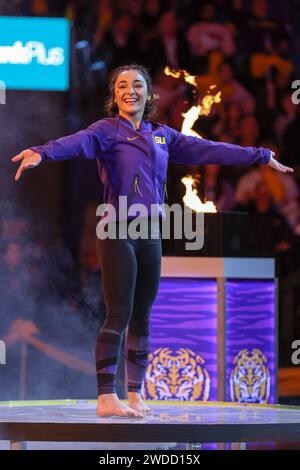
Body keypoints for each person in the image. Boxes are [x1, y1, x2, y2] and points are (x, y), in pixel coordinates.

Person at [11, 64, 293, 418]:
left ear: (148, 94)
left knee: (142, 316)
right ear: (114, 96)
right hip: (117, 231)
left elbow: (210, 150)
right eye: (123, 86)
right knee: (120, 312)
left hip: (151, 234)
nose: (131, 90)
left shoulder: (164, 135)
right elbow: (76, 142)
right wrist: (43, 151)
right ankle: (105, 397)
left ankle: (134, 393)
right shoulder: (106, 131)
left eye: (138, 85)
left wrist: (261, 155)